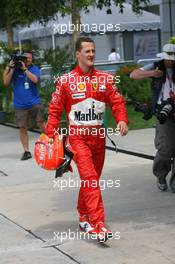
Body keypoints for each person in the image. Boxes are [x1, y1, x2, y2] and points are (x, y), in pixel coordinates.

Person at [46, 37, 128, 242]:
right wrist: (50, 136)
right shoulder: (65, 81)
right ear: (77, 54)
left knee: (91, 180)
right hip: (77, 139)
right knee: (90, 179)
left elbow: (117, 102)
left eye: (93, 51)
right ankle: (98, 224)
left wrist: (122, 120)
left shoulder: (105, 79)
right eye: (87, 51)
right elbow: (55, 110)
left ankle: (84, 217)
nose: (91, 54)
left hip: (98, 138)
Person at [130, 43, 175, 193]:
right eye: (167, 59)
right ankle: (161, 175)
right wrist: (151, 74)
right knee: (165, 149)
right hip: (163, 112)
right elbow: (133, 74)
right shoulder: (156, 66)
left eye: (172, 59)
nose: (170, 62)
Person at [3, 51, 45, 160]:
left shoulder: (34, 68)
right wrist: (11, 68)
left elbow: (35, 80)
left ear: (32, 59)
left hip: (34, 103)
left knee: (41, 123)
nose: (27, 59)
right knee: (22, 128)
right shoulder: (15, 69)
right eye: (25, 58)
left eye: (29, 58)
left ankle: (51, 143)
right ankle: (26, 151)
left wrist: (25, 69)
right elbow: (6, 82)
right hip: (20, 105)